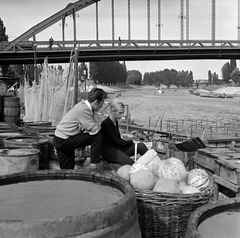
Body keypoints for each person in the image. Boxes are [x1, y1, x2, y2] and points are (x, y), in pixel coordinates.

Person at [53, 87, 108, 169]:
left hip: (61, 138)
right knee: (97, 137)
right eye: (101, 103)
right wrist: (98, 124)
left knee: (67, 170)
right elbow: (95, 130)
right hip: (64, 139)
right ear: (96, 102)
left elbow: (91, 126)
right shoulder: (84, 110)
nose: (102, 106)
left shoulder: (85, 107)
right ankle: (93, 165)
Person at [100, 98, 148, 165]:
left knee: (141, 146)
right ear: (113, 111)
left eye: (123, 112)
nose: (122, 115)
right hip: (109, 152)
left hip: (118, 148)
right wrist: (131, 142)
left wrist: (131, 143)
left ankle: (151, 164)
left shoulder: (115, 122)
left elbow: (118, 140)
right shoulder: (106, 123)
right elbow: (116, 141)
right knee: (132, 163)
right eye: (120, 113)